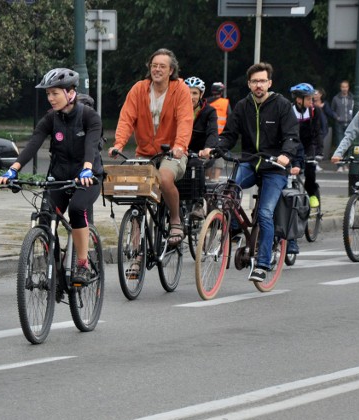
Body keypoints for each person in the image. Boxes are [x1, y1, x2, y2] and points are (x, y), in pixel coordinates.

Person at [0, 68, 103, 284]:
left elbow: (91, 145)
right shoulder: (51, 118)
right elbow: (34, 143)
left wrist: (87, 168)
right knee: (44, 216)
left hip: (87, 177)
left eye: (55, 93)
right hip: (60, 175)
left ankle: (82, 263)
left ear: (70, 93)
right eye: (48, 94)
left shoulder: (89, 116)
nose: (51, 98)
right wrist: (12, 170)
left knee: (77, 209)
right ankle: (55, 268)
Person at [199, 62, 299, 282]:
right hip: (249, 163)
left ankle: (263, 263)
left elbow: (292, 136)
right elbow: (229, 135)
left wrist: (286, 154)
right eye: (254, 81)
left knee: (264, 213)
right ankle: (232, 229)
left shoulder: (281, 105)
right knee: (227, 193)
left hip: (275, 168)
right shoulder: (243, 106)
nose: (258, 85)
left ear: (269, 83)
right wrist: (215, 149)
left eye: (262, 81)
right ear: (249, 84)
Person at [108, 48, 193, 246]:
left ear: (171, 70)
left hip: (172, 153)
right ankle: (137, 250)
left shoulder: (180, 89)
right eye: (154, 66)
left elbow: (185, 120)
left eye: (162, 66)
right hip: (145, 152)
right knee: (136, 197)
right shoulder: (139, 89)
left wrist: (180, 145)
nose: (157, 69)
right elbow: (126, 118)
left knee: (164, 177)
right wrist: (118, 144)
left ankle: (175, 219)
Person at [184, 76, 218, 219]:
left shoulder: (209, 111)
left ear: (201, 95)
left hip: (200, 153)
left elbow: (212, 132)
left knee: (197, 166)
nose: (191, 97)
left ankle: (198, 204)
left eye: (195, 93)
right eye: (187, 92)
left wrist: (208, 148)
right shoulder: (177, 108)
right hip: (180, 150)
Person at [290, 83, 323, 210]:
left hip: (309, 144)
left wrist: (319, 151)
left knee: (310, 170)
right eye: (309, 99)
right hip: (292, 144)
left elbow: (318, 132)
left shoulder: (314, 111)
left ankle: (312, 194)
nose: (312, 101)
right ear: (299, 99)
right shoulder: (289, 110)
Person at [331, 80, 355, 172]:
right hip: (339, 123)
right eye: (343, 87)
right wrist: (336, 117)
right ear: (340, 88)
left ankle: (346, 164)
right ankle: (339, 164)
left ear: (348, 88)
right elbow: (332, 110)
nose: (344, 89)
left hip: (349, 123)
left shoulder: (352, 98)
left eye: (346, 87)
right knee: (340, 142)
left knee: (349, 144)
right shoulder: (336, 98)